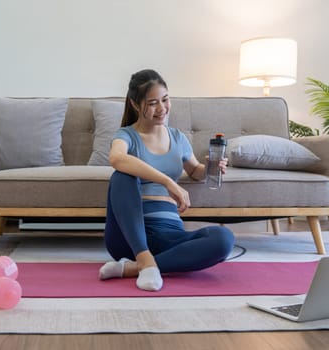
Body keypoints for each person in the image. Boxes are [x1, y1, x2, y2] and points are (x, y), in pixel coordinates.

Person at [99, 69, 235, 291]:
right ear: (135, 104)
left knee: (223, 238)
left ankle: (138, 267)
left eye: (165, 99)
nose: (161, 109)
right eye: (152, 103)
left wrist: (209, 168)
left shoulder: (177, 137)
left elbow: (195, 170)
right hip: (129, 238)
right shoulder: (127, 135)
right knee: (122, 176)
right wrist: (168, 182)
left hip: (170, 235)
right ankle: (142, 257)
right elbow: (116, 158)